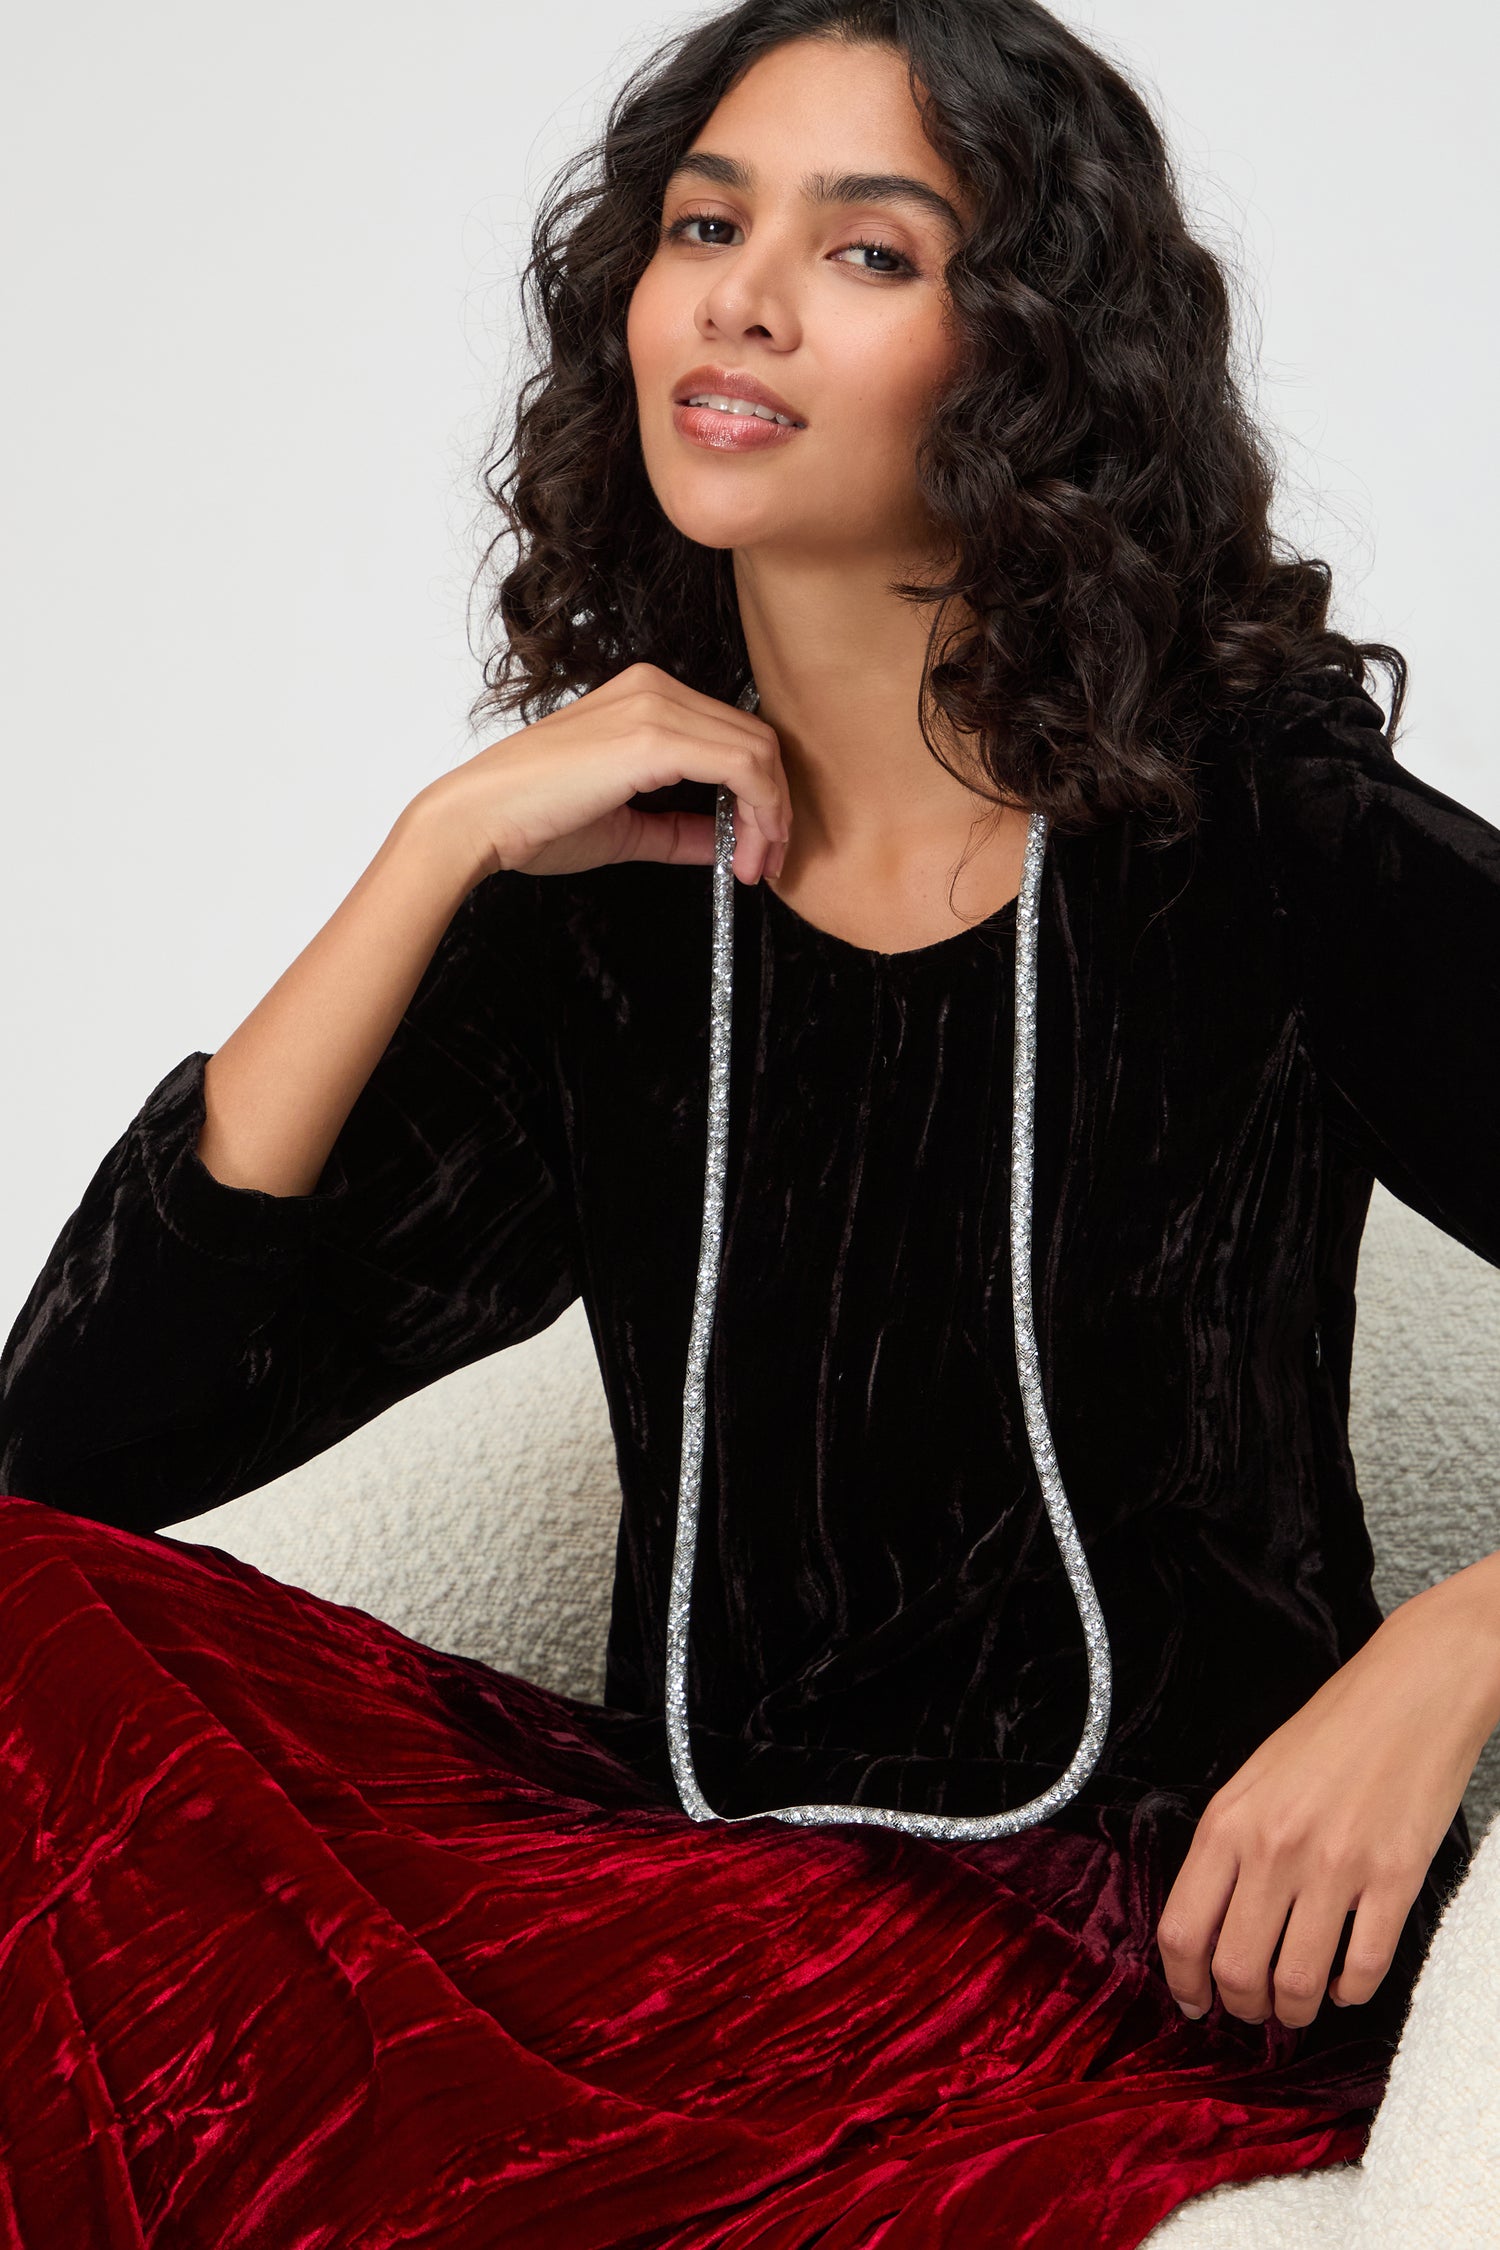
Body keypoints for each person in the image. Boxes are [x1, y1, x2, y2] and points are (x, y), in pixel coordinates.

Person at [1, 2, 1497, 2242]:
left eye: (869, 251)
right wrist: (428, 858)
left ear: (1035, 356)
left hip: (1136, 1970)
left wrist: (1464, 1644)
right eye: (708, 221)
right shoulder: (596, 917)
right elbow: (68, 1462)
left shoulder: (1266, 837)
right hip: (673, 1924)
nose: (745, 295)